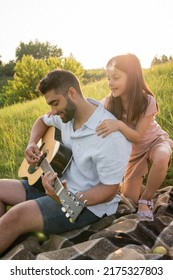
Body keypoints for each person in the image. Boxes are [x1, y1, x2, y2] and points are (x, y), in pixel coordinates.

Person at [0, 69, 131, 255]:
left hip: (86, 206)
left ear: (72, 93)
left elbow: (109, 191)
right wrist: (31, 143)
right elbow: (41, 121)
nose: (52, 111)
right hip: (56, 185)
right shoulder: (67, 115)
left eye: (55, 103)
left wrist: (66, 197)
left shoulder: (110, 136)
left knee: (17, 215)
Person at [97, 53, 173, 220]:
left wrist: (118, 125)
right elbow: (88, 109)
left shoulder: (147, 100)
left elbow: (138, 135)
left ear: (132, 78)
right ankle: (135, 189)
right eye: (108, 78)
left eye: (115, 78)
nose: (110, 83)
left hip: (155, 141)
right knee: (130, 199)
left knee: (161, 157)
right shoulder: (109, 102)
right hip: (133, 153)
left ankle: (146, 199)